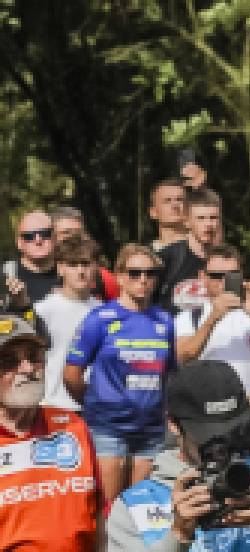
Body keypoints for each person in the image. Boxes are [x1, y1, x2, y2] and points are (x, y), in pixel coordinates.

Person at [103, 359, 250, 552]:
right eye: (208, 436)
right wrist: (178, 536)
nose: (224, 445)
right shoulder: (135, 506)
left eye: (233, 429)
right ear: (174, 425)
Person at [65, 243, 180, 496]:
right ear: (119, 276)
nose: (143, 279)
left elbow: (170, 374)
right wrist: (96, 403)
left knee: (143, 506)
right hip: (107, 428)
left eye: (150, 273)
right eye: (135, 273)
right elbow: (72, 373)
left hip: (150, 429)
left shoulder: (165, 320)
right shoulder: (99, 318)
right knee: (109, 507)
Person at [0, 309, 105, 550]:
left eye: (34, 357)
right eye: (8, 362)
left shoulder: (73, 426)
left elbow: (98, 512)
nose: (27, 369)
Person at [175, 251, 250, 402]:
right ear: (202, 277)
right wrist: (213, 317)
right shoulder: (190, 316)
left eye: (232, 275)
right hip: (209, 407)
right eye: (217, 276)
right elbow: (182, 355)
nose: (224, 282)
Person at [35, 235, 99, 409]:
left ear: (95, 267)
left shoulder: (105, 312)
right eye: (73, 264)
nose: (80, 271)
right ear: (60, 268)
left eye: (86, 263)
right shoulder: (42, 310)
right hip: (53, 405)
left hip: (95, 408)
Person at [5, 212, 60, 310]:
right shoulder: (6, 275)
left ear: (55, 238)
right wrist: (20, 306)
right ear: (19, 243)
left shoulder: (72, 272)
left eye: (45, 234)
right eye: (29, 236)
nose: (38, 241)